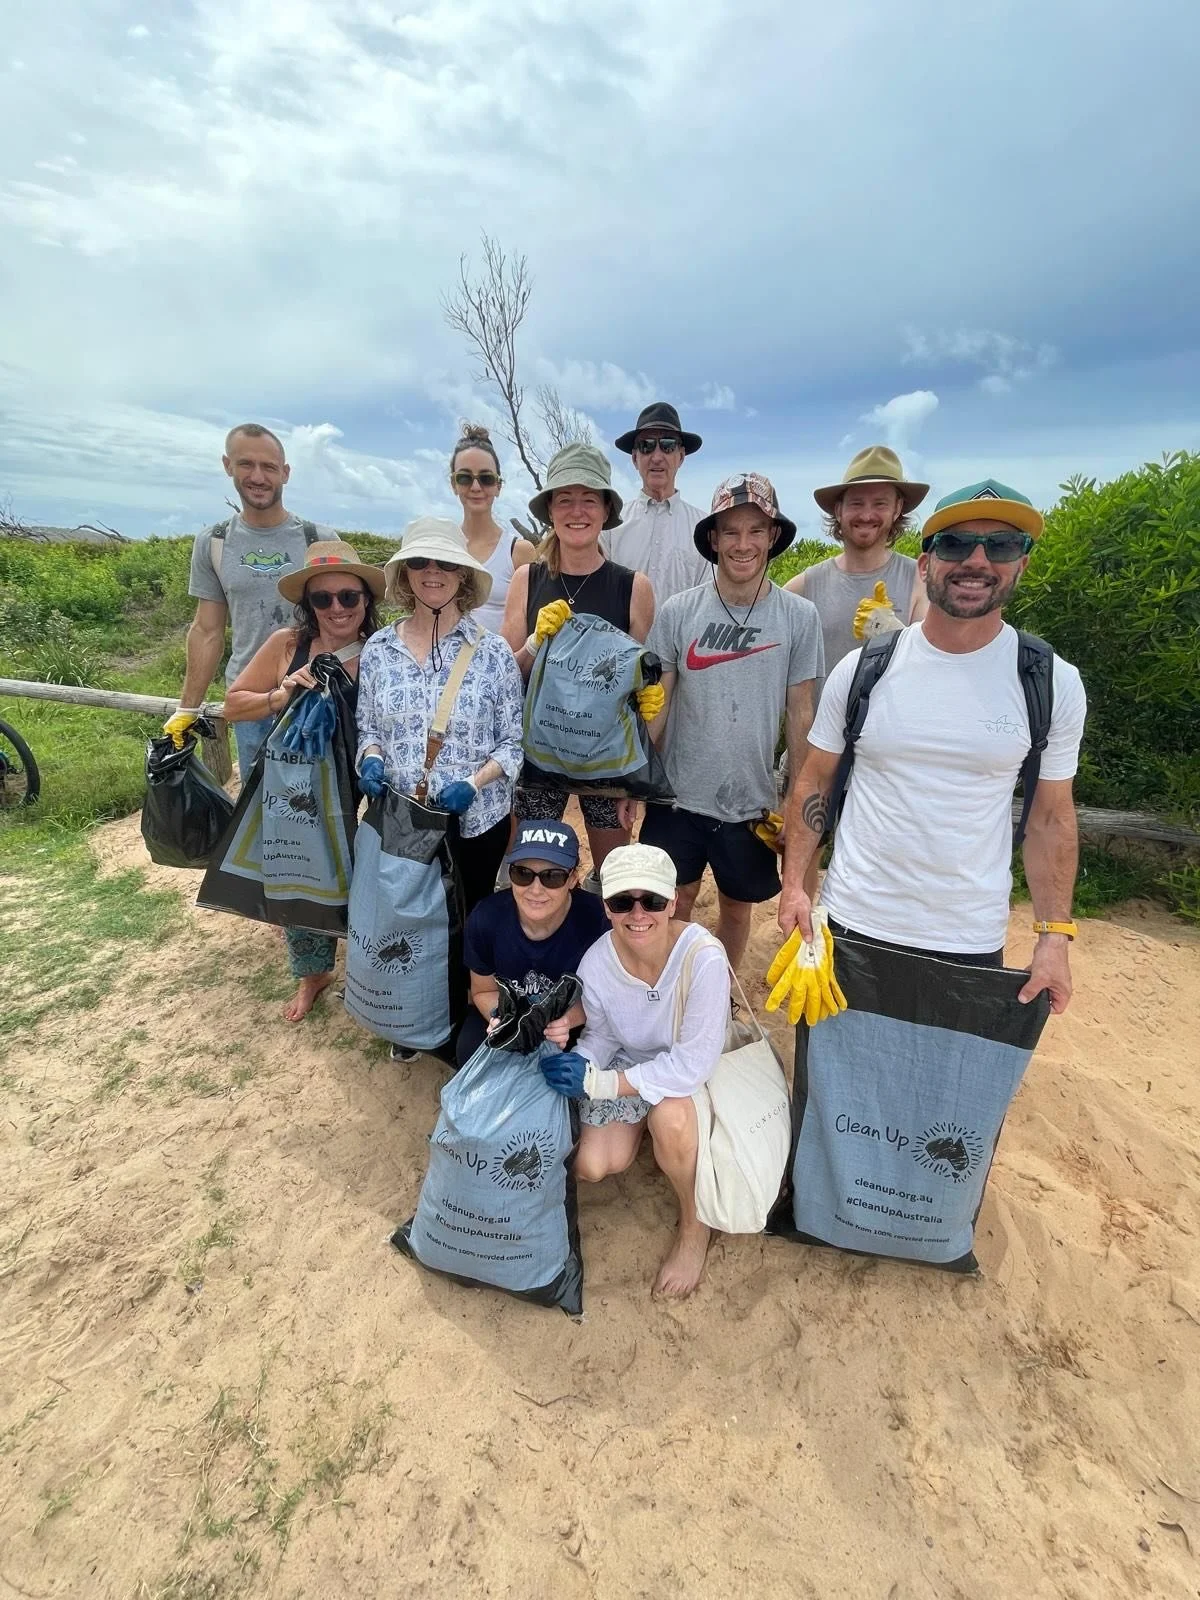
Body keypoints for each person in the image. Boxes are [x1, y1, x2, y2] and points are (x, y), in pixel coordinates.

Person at [778, 479, 1087, 1012]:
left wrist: (1054, 936)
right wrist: (794, 887)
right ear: (925, 565)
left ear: (1022, 564)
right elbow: (816, 779)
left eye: (1002, 545)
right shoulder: (862, 669)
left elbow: (1051, 817)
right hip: (852, 923)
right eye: (956, 543)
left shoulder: (1051, 681)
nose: (977, 560)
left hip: (969, 938)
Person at [636, 473, 822, 969]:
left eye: (756, 530)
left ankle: (721, 992)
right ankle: (671, 988)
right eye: (731, 531)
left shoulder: (799, 617)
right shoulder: (679, 611)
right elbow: (658, 705)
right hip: (677, 796)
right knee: (673, 900)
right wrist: (633, 783)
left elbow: (801, 713)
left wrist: (795, 799)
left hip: (751, 802)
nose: (743, 544)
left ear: (773, 536)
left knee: (738, 907)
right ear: (714, 539)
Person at [538, 844, 731, 1297]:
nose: (638, 914)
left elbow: (691, 1065)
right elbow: (604, 1034)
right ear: (607, 907)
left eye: (653, 901)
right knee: (594, 1165)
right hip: (631, 1062)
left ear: (674, 902)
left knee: (672, 1119)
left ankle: (694, 1224)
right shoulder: (597, 961)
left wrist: (601, 1083)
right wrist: (582, 1061)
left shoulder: (703, 957)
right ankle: (646, 1131)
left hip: (694, 1070)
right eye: (623, 901)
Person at [222, 541, 384, 1021]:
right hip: (303, 785)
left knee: (374, 872)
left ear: (366, 601)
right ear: (308, 604)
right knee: (302, 871)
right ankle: (313, 973)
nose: (337, 608)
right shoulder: (287, 646)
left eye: (348, 596)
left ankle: (374, 968)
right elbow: (234, 704)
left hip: (369, 780)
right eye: (322, 598)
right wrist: (281, 693)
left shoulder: (385, 650)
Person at [356, 518, 524, 916]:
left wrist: (474, 783)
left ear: (462, 574)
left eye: (446, 563)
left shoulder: (494, 653)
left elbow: (513, 743)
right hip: (401, 822)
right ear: (405, 572)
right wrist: (371, 758)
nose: (433, 571)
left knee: (468, 917)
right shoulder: (378, 649)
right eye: (420, 562)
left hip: (476, 822)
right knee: (406, 925)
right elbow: (368, 728)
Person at [502, 442, 656, 874]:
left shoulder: (634, 588)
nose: (577, 511)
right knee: (530, 870)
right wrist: (534, 644)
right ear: (550, 511)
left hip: (604, 761)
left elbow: (635, 688)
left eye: (589, 499)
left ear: (606, 510)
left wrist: (632, 783)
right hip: (536, 757)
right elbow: (503, 676)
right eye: (565, 499)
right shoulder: (527, 579)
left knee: (612, 873)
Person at [165, 423, 337, 778]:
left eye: (269, 467)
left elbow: (346, 617)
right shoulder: (214, 543)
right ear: (228, 465)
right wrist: (187, 708)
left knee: (324, 800)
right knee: (259, 802)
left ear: (285, 473)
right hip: (250, 701)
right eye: (246, 464)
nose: (258, 476)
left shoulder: (319, 540)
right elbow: (207, 630)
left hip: (315, 697)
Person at [457, 819, 607, 1066]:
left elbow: (607, 996)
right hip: (508, 1012)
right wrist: (502, 1019)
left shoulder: (597, 921)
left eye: (552, 877)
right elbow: (482, 991)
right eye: (523, 874)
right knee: (468, 1049)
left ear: (573, 879)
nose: (536, 890)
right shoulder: (486, 918)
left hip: (569, 1022)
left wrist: (566, 1021)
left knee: (574, 1066)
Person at [784, 445, 930, 680]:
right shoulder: (801, 588)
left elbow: (933, 669)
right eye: (856, 503)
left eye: (880, 504)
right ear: (838, 510)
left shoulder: (922, 582)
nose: (866, 515)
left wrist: (896, 635)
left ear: (897, 509)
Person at [602, 402, 710, 604]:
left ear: (681, 456)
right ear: (635, 458)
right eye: (647, 445)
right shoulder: (609, 525)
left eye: (668, 445)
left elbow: (708, 599)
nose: (657, 457)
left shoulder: (703, 528)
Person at [449, 421, 536, 633]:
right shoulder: (442, 548)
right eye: (464, 478)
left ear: (498, 486)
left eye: (486, 478)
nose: (476, 487)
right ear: (453, 484)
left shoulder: (519, 552)